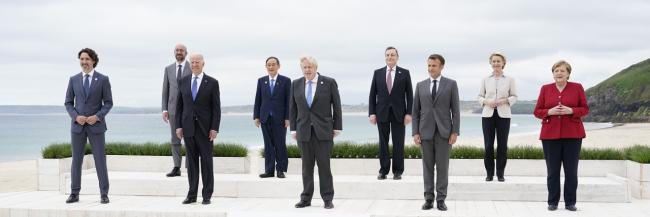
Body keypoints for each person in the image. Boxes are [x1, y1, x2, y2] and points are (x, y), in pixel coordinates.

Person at [533, 60, 589, 212]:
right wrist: (548, 112)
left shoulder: (577, 88)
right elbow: (537, 111)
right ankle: (553, 202)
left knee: (571, 171)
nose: (559, 73)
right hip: (549, 135)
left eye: (562, 71)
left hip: (573, 134)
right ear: (553, 74)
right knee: (552, 171)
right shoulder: (545, 89)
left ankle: (570, 202)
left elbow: (585, 109)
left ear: (568, 73)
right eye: (556, 70)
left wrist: (571, 110)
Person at [290, 56, 342, 209]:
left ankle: (327, 198)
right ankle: (305, 198)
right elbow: (292, 108)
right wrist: (293, 128)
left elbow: (337, 106)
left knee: (324, 166)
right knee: (306, 167)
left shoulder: (329, 82)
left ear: (315, 68)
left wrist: (337, 127)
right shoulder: (295, 84)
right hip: (303, 131)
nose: (307, 70)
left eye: (309, 67)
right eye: (304, 67)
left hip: (324, 131)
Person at [64, 48, 113, 204]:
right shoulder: (73, 79)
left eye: (87, 59)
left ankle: (104, 194)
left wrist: (97, 116)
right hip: (77, 127)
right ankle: (74, 193)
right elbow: (68, 102)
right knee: (76, 161)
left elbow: (108, 103)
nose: (84, 62)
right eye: (81, 59)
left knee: (100, 160)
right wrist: (76, 116)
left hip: (96, 126)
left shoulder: (103, 79)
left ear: (93, 61)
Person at [412, 54, 459, 211]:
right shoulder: (420, 85)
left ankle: (441, 199)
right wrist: (415, 132)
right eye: (429, 65)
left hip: (444, 132)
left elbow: (456, 111)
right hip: (425, 132)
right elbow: (416, 112)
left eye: (434, 65)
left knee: (443, 167)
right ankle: (428, 199)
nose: (430, 68)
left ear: (441, 67)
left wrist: (455, 132)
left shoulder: (451, 84)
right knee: (427, 167)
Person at [175, 54, 221, 205]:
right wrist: (178, 126)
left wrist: (214, 128)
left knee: (207, 163)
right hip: (188, 128)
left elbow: (216, 109)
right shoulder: (183, 81)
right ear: (189, 64)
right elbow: (179, 106)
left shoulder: (212, 83)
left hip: (205, 129)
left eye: (197, 62)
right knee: (192, 163)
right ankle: (192, 194)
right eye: (192, 62)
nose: (194, 64)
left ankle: (207, 195)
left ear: (203, 64)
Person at [368, 46, 413, 180]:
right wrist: (372, 113)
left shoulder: (404, 73)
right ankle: (383, 170)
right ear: (385, 57)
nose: (390, 57)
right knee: (383, 143)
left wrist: (409, 113)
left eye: (392, 55)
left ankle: (398, 171)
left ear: (397, 57)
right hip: (381, 113)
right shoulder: (378, 73)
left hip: (399, 113)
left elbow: (410, 95)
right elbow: (372, 94)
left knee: (398, 143)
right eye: (387, 55)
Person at [478, 53, 517, 182]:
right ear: (491, 63)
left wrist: (505, 100)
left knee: (502, 145)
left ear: (503, 63)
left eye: (498, 61)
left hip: (504, 115)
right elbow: (479, 96)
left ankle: (500, 174)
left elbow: (514, 96)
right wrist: (486, 102)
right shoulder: (485, 79)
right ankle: (489, 174)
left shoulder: (510, 79)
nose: (496, 63)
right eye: (494, 61)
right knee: (488, 145)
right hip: (487, 114)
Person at [254, 56, 291, 178]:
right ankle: (269, 170)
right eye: (268, 65)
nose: (271, 67)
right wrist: (256, 116)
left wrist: (288, 117)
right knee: (268, 145)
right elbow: (258, 99)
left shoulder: (286, 81)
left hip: (280, 118)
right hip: (265, 117)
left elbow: (288, 101)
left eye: (273, 64)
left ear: (278, 66)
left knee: (280, 143)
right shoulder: (261, 81)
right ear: (266, 67)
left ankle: (280, 169)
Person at [162, 43, 191, 177]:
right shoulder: (168, 69)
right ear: (174, 52)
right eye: (177, 50)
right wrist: (164, 109)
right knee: (175, 140)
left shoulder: (192, 67)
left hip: (188, 109)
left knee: (190, 138)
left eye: (181, 50)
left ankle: (190, 166)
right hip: (173, 109)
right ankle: (176, 167)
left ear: (186, 53)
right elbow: (165, 90)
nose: (179, 52)